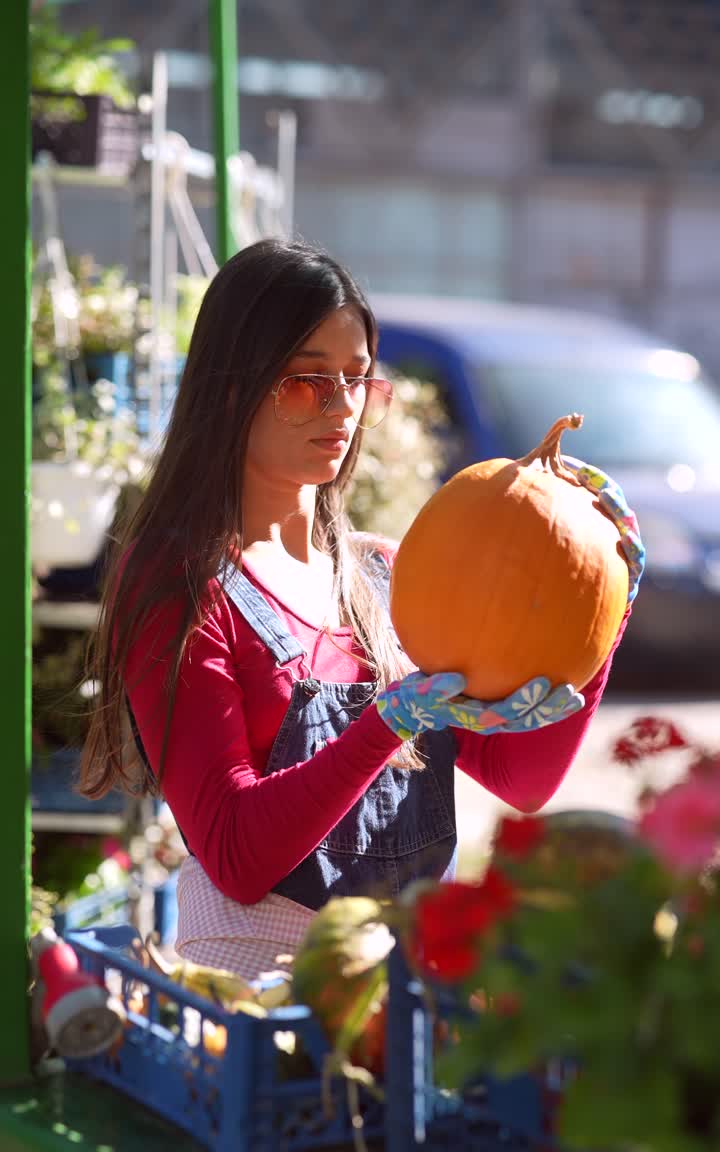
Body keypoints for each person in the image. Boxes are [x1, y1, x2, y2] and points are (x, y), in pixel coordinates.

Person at [80, 238, 645, 982]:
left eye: (357, 379)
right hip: (257, 986)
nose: (342, 407)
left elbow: (521, 778)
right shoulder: (178, 585)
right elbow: (236, 855)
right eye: (307, 381)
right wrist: (387, 720)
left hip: (404, 981)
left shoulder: (388, 574)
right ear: (230, 386)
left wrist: (602, 600)